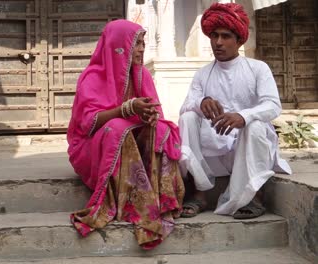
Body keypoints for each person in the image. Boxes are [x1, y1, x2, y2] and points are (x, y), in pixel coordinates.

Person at [67, 19, 185, 249]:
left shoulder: (143, 76)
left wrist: (150, 117)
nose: (141, 49)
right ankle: (135, 205)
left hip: (131, 143)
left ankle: (163, 201)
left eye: (143, 43)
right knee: (117, 128)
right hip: (92, 147)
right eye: (136, 43)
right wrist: (125, 109)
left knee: (161, 129)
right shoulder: (92, 77)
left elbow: (155, 112)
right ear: (118, 46)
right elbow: (87, 125)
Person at [178, 3, 291, 219]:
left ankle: (254, 196)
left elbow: (273, 105)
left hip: (248, 144)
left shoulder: (257, 68)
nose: (218, 42)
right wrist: (201, 102)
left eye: (226, 36)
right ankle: (199, 193)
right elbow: (186, 104)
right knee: (188, 116)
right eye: (214, 36)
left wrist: (243, 116)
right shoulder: (202, 74)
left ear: (239, 40)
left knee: (256, 125)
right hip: (214, 148)